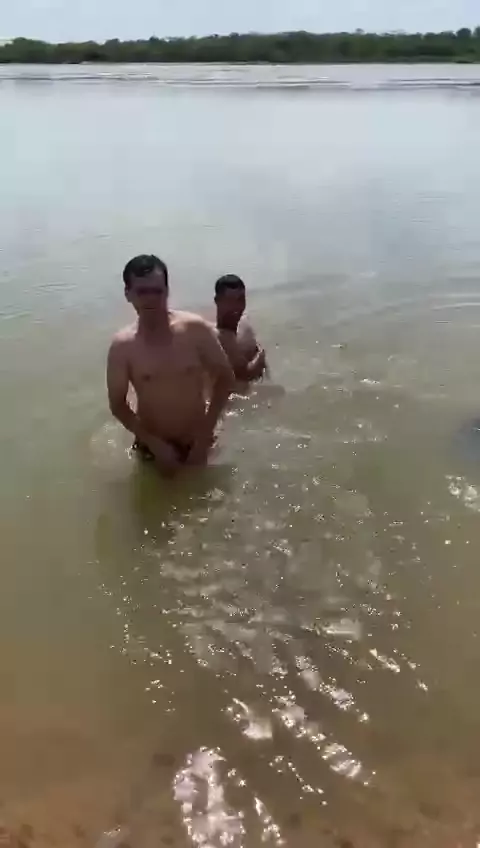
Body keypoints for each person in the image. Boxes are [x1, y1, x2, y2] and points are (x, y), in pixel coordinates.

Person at [107, 255, 234, 477]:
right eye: (142, 292)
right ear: (128, 293)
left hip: (200, 439)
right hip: (152, 448)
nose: (151, 299)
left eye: (157, 291)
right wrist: (154, 444)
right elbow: (118, 405)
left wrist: (204, 436)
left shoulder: (195, 330)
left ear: (167, 291)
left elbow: (225, 378)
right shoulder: (122, 347)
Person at [214, 274, 267, 382]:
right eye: (230, 301)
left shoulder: (244, 324)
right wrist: (261, 356)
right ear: (217, 300)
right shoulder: (215, 338)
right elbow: (245, 375)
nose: (236, 307)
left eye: (240, 299)